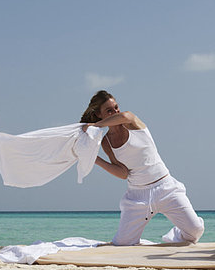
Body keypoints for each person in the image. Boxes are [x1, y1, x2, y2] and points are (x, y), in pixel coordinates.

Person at [81, 90, 204, 246]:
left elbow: (124, 116)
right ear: (99, 114)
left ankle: (174, 234)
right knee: (122, 244)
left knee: (195, 231)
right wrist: (95, 159)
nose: (115, 112)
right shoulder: (106, 142)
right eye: (109, 110)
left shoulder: (131, 122)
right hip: (138, 196)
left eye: (116, 107)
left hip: (166, 188)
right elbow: (123, 173)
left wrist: (94, 126)